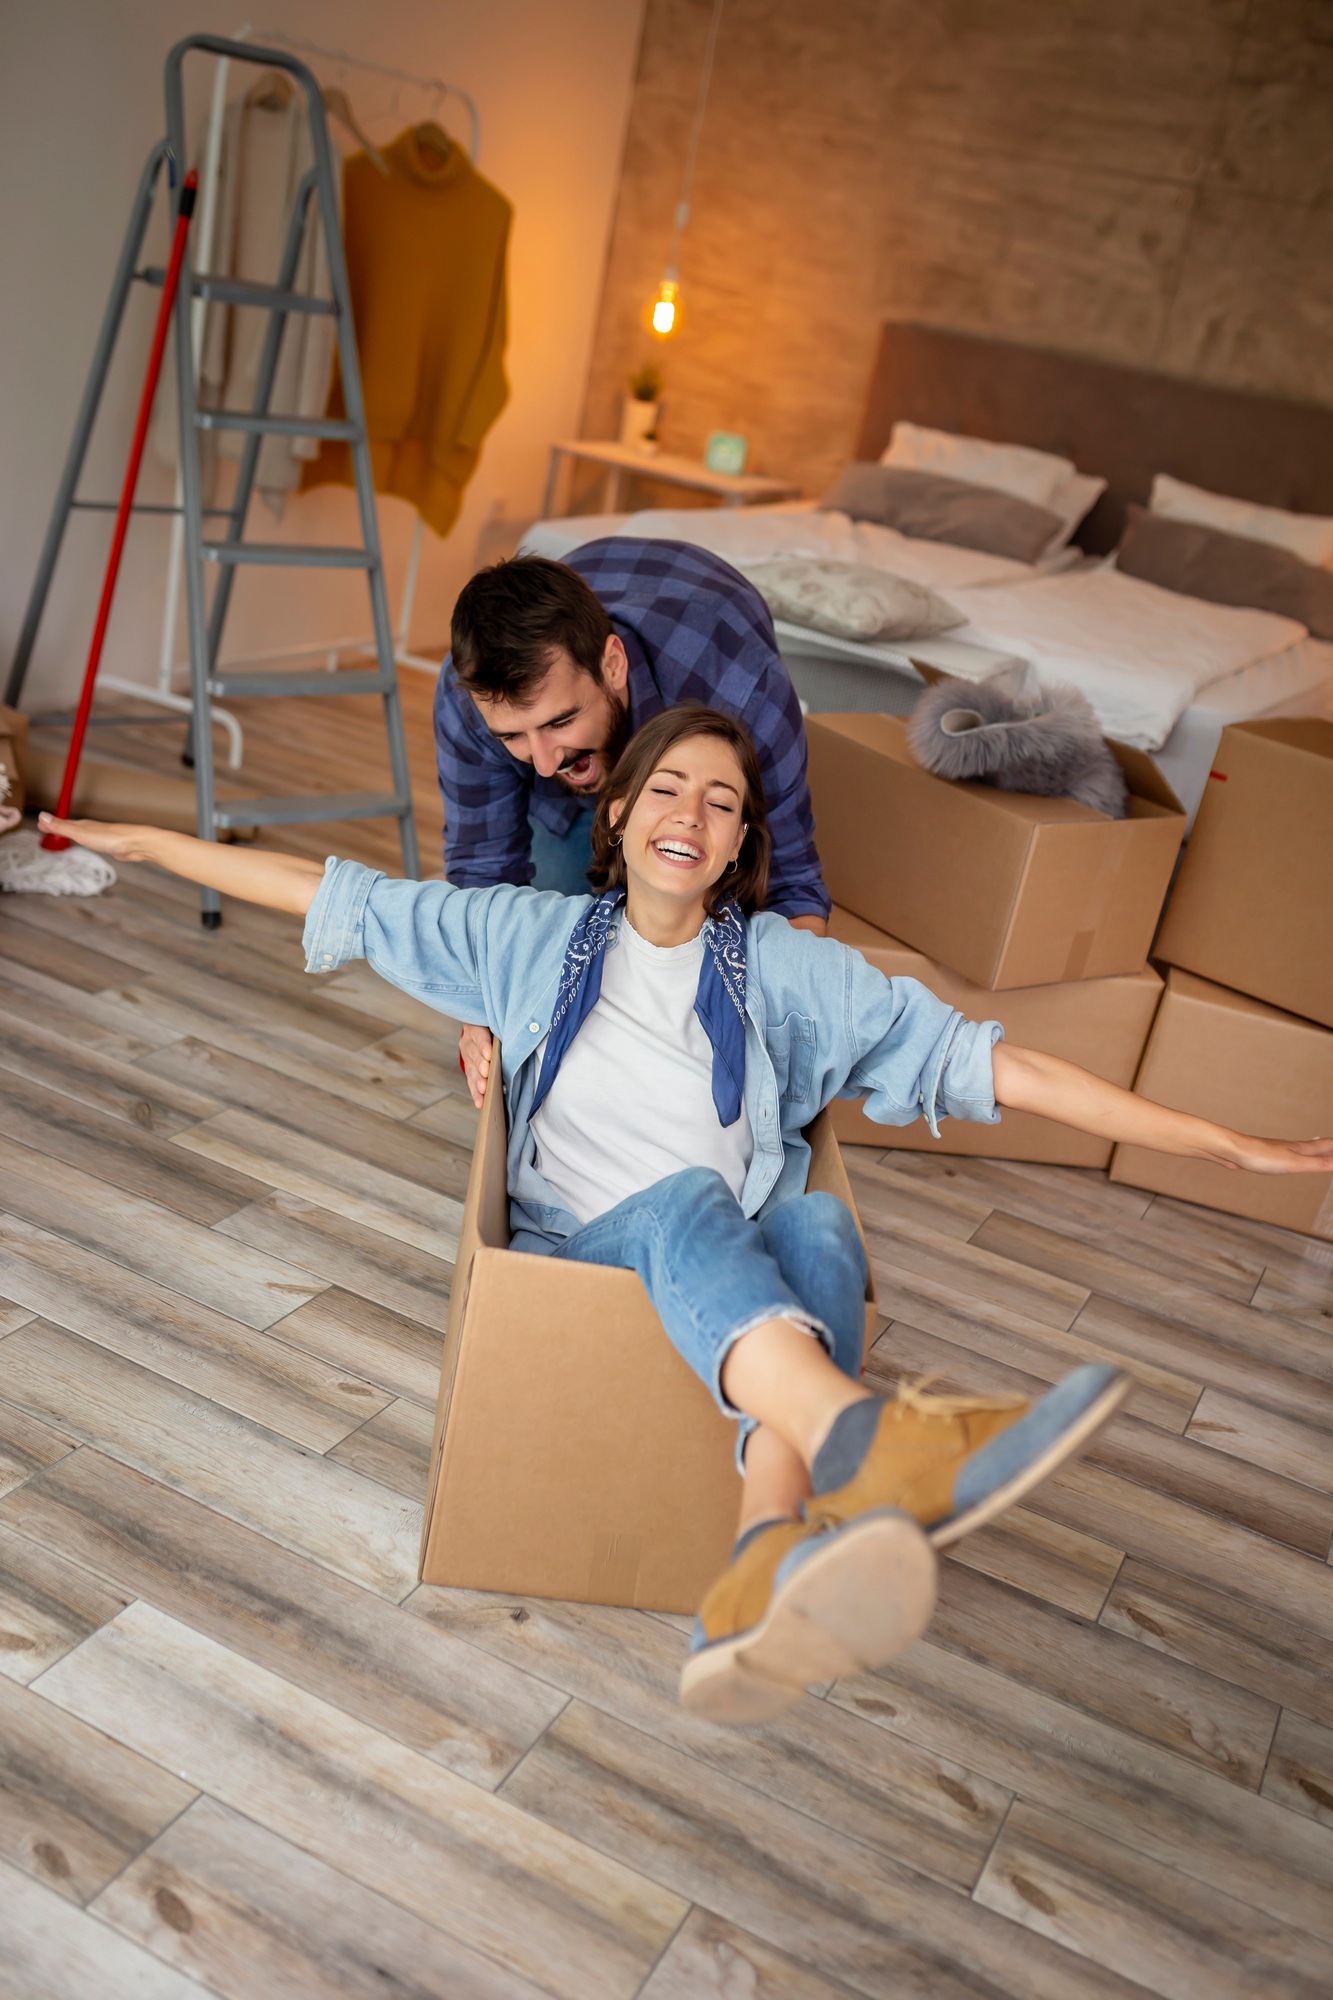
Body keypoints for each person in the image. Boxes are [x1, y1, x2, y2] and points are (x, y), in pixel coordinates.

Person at [41, 707, 1332, 1728]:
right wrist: (137, 841)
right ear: (615, 813)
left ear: (734, 847)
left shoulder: (784, 970)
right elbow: (329, 894)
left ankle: (755, 1574)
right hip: (583, 1251)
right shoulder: (524, 937)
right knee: (689, 1201)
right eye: (666, 787)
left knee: (822, 1235)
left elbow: (1001, 1067)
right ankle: (869, 1445)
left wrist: (1219, 1139)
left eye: (721, 803)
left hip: (722, 1259)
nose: (690, 813)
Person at [434, 539, 830, 1109]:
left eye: (560, 722)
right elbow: (484, 875)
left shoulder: (741, 691)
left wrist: (791, 1032)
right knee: (550, 974)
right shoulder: (470, 696)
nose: (544, 763)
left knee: (710, 967)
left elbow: (791, 883)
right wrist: (478, 1012)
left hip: (702, 674)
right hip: (574, 809)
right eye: (514, 738)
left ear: (612, 666)